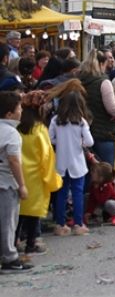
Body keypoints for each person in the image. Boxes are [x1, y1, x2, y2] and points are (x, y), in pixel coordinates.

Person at [16, 90, 61, 255]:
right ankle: (31, 243)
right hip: (35, 177)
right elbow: (46, 156)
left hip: (17, 174)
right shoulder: (39, 129)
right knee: (33, 213)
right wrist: (52, 178)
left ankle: (14, 242)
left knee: (18, 214)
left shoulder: (17, 128)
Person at [79, 49, 115, 169]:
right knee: (106, 169)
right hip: (103, 132)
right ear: (101, 64)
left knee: (89, 171)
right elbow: (112, 108)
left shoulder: (80, 80)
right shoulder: (103, 82)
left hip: (83, 132)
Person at [50, 91, 94, 236]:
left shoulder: (56, 120)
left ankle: (60, 223)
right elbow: (89, 142)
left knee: (61, 194)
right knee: (77, 193)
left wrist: (60, 142)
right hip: (77, 162)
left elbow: (50, 139)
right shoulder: (81, 121)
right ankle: (78, 223)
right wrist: (80, 143)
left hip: (61, 161)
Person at [0, 91, 33, 273]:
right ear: (9, 114)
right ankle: (9, 258)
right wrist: (21, 185)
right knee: (7, 222)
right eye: (19, 108)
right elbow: (13, 160)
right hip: (6, 183)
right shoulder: (11, 133)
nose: (21, 111)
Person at [84, 162, 115, 226]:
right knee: (86, 197)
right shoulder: (94, 184)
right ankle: (83, 217)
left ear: (101, 177)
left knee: (109, 203)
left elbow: (102, 200)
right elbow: (92, 198)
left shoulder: (108, 186)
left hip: (111, 204)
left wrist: (96, 189)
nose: (91, 174)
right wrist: (89, 212)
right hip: (101, 203)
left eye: (94, 173)